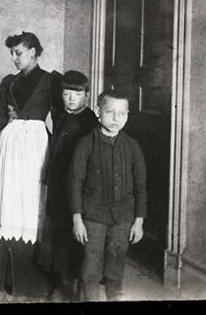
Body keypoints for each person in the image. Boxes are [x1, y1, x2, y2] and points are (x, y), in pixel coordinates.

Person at [0, 31, 63, 296]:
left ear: (33, 52)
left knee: (31, 202)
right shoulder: (8, 82)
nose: (14, 58)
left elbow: (59, 119)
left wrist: (59, 149)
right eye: (12, 53)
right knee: (7, 201)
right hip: (9, 145)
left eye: (18, 53)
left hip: (36, 146)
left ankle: (29, 282)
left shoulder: (51, 80)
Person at [69, 90, 147, 301]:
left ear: (127, 116)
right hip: (93, 216)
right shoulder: (86, 144)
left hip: (123, 217)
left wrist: (139, 221)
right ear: (98, 112)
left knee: (116, 263)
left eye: (121, 113)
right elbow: (75, 183)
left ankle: (114, 298)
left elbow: (141, 187)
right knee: (91, 265)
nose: (116, 118)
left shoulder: (132, 146)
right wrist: (77, 219)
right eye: (110, 112)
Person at [39, 70, 98, 300]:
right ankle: (54, 280)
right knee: (53, 232)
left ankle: (70, 285)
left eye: (77, 93)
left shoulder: (90, 122)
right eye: (66, 93)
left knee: (71, 237)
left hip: (76, 187)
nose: (71, 98)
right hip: (56, 182)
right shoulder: (60, 115)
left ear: (87, 95)